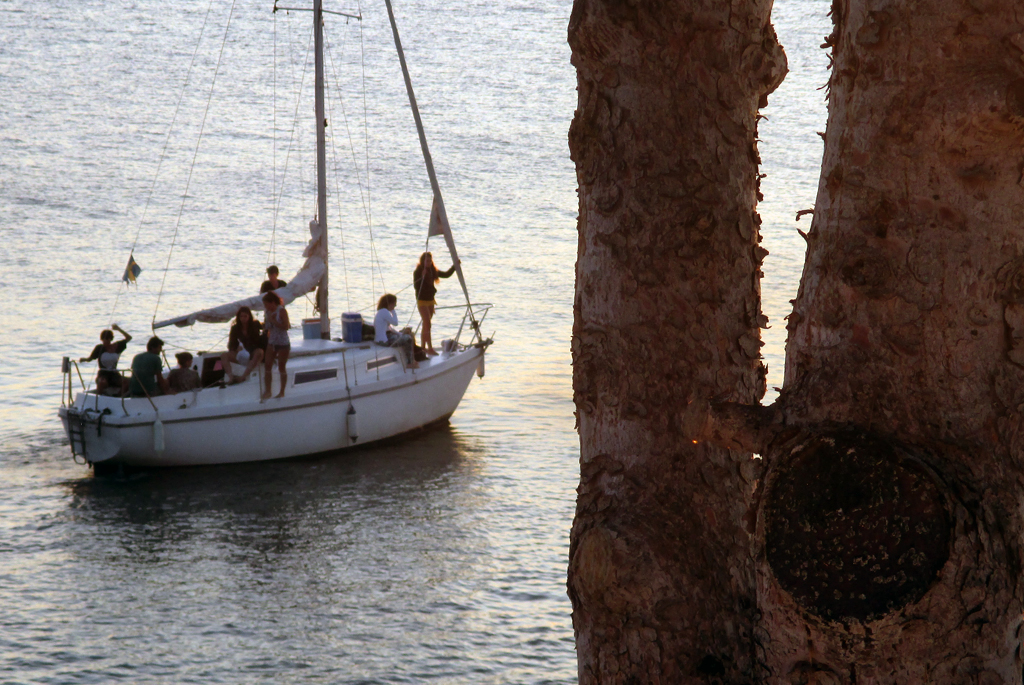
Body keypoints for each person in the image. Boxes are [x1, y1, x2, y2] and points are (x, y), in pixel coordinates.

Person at [413, 252, 456, 356]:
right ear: (422, 261)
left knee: (426, 325)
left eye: (430, 261)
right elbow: (416, 286)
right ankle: (430, 348)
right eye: (427, 261)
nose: (428, 263)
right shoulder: (418, 271)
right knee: (427, 323)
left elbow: (446, 274)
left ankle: (423, 347)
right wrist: (422, 277)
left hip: (430, 300)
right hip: (422, 300)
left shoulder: (433, 270)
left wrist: (454, 266)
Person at [80, 324, 132, 395]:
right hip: (103, 373)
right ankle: (98, 397)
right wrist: (84, 359)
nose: (105, 341)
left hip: (114, 374)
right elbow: (90, 358)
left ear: (111, 339)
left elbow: (129, 338)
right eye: (103, 339)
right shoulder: (99, 348)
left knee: (128, 382)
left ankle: (118, 396)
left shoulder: (117, 346)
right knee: (102, 382)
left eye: (107, 339)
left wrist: (118, 329)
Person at [220, 306, 265, 383]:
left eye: (245, 316)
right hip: (240, 352)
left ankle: (243, 377)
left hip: (252, 351)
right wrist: (236, 349)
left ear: (249, 316)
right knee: (224, 355)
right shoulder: (235, 328)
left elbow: (265, 328)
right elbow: (231, 344)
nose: (243, 318)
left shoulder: (255, 324)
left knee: (259, 352)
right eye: (241, 316)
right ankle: (231, 377)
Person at [374, 293, 418, 369]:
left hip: (386, 336)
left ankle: (413, 359)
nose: (395, 306)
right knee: (408, 339)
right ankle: (410, 363)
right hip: (384, 340)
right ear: (390, 303)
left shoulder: (381, 312)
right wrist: (393, 311)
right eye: (394, 304)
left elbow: (389, 328)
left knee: (408, 334)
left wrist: (401, 333)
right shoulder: (384, 311)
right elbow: (395, 323)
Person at [262, 291, 291, 400]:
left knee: (281, 367)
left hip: (283, 342)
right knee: (267, 366)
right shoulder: (267, 313)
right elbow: (268, 327)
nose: (265, 307)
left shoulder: (281, 311)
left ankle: (282, 391)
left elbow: (286, 326)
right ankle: (268, 391)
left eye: (266, 304)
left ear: (272, 302)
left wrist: (274, 321)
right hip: (272, 341)